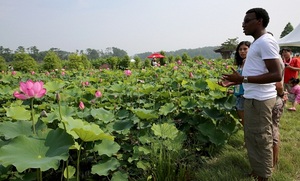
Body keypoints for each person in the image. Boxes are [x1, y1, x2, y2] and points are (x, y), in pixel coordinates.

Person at [221, 8, 282, 180]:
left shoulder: (265, 42)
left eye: (247, 20)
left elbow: (276, 74)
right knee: (252, 137)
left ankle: (264, 175)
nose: (243, 24)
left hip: (260, 100)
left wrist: (243, 79)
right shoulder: (257, 42)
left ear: (259, 21)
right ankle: (257, 170)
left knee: (261, 138)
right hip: (253, 98)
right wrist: (240, 80)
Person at [219, 41, 251, 126]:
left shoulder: (251, 64)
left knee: (247, 122)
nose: (242, 51)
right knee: (243, 122)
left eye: (245, 49)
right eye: (240, 49)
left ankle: (249, 138)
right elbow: (239, 81)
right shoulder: (240, 65)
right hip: (239, 95)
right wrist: (230, 84)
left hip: (246, 96)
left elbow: (248, 80)